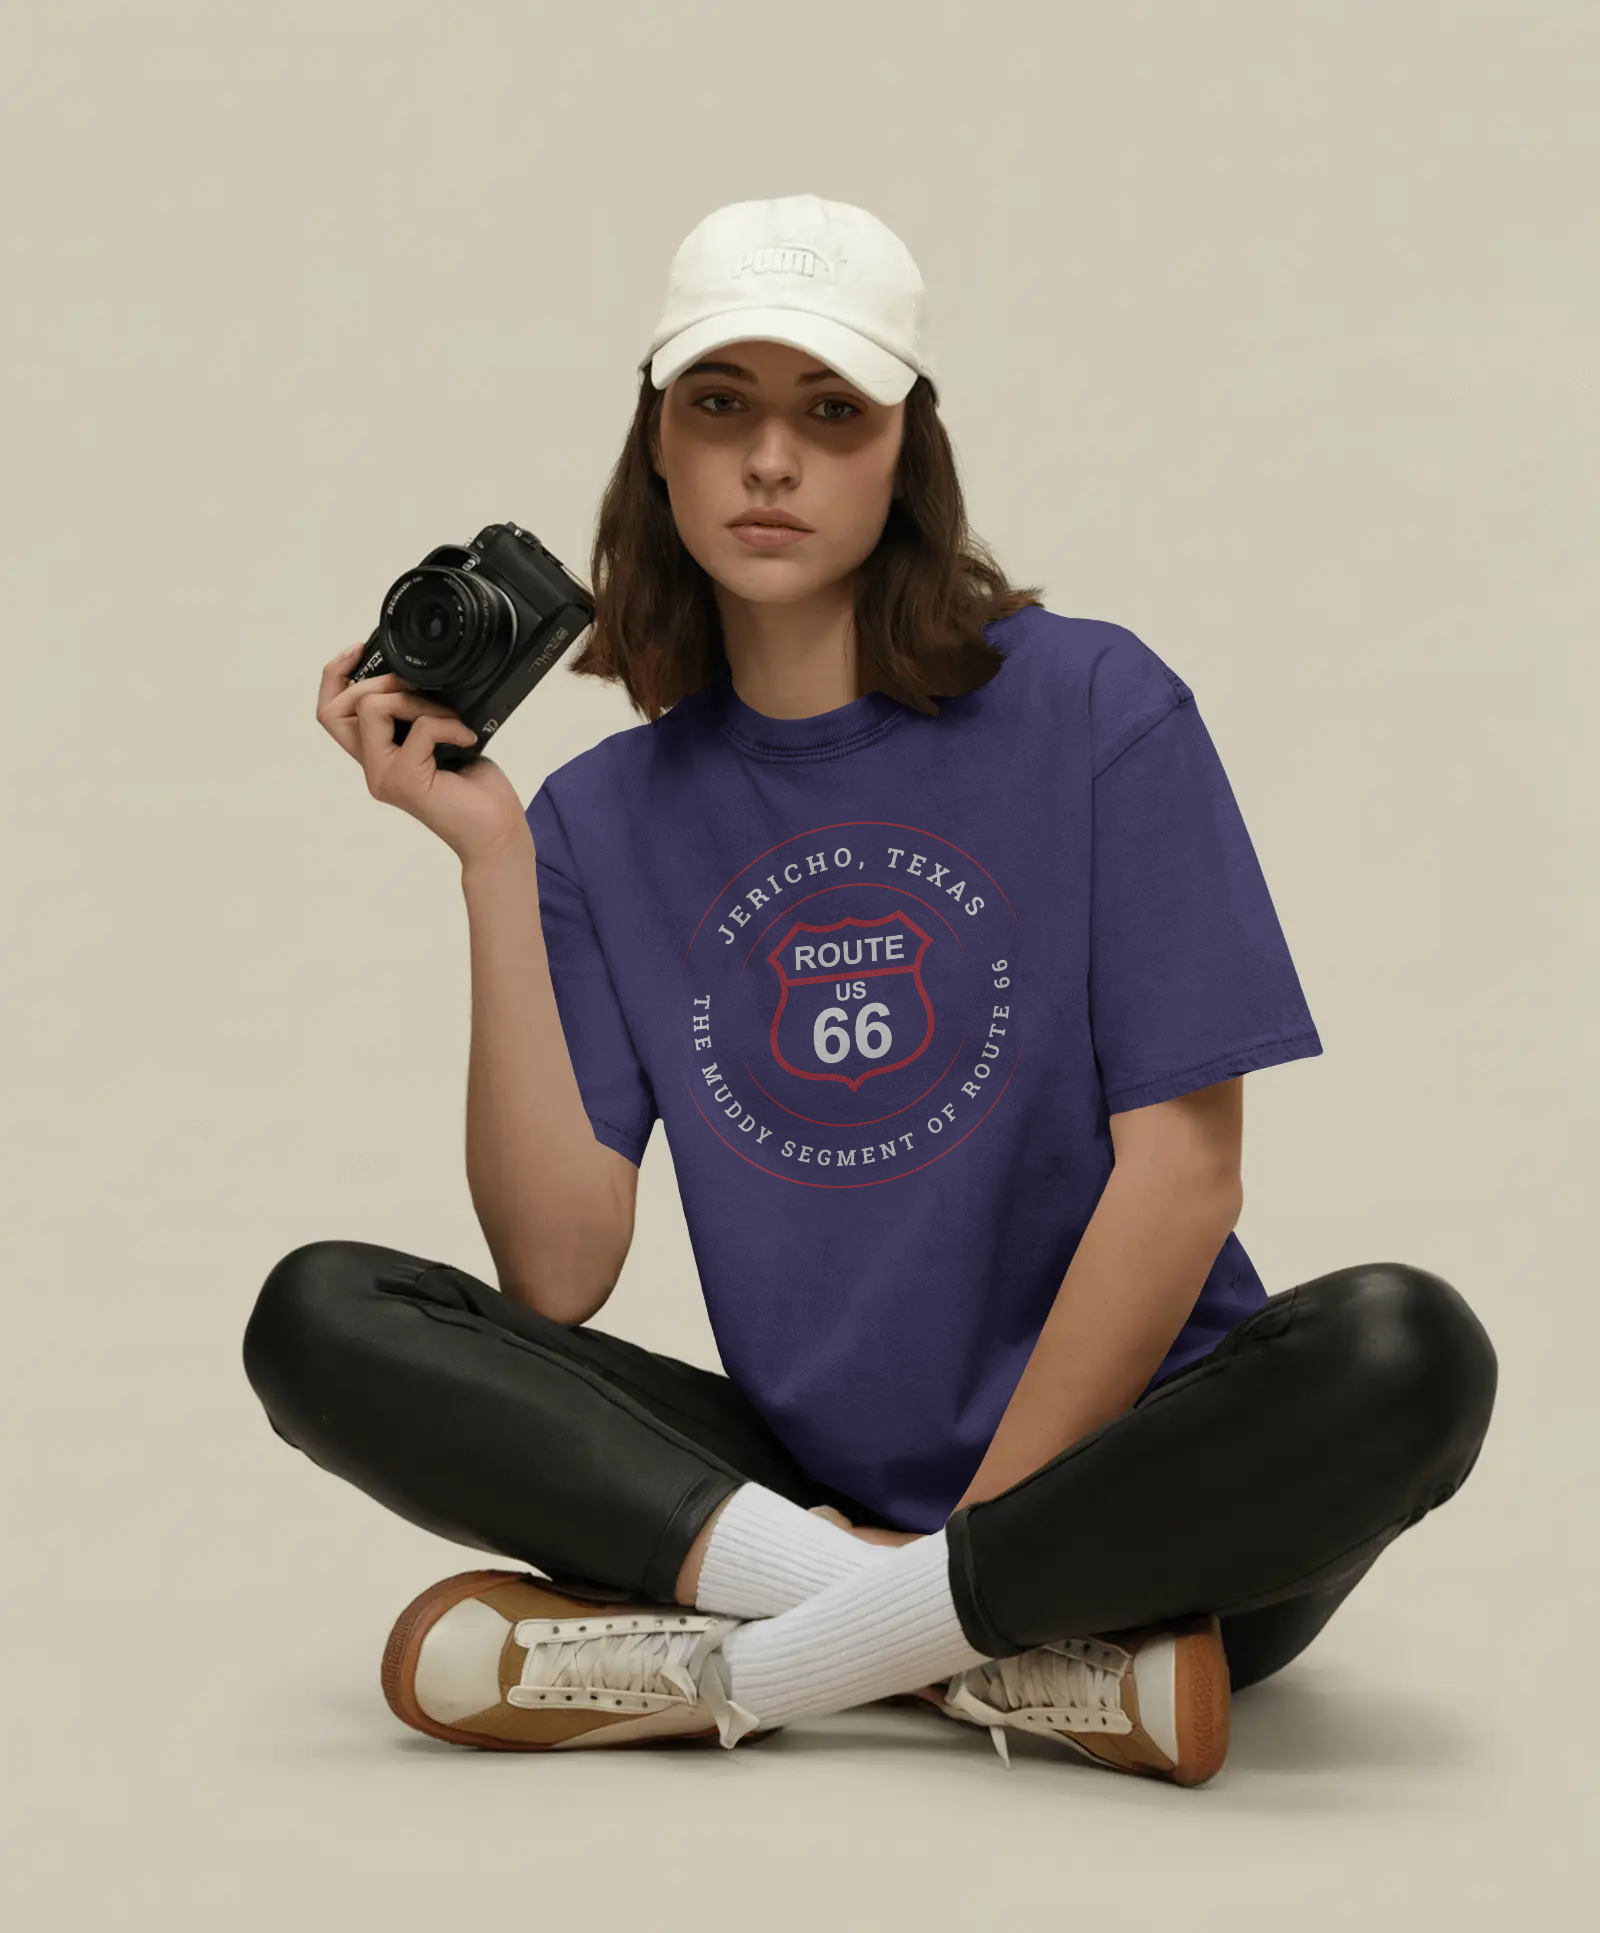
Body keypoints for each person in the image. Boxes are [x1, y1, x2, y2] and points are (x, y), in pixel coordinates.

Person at [242, 194, 1497, 1786]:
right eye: (722, 408)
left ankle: (768, 1662)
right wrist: (490, 856)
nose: (772, 460)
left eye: (831, 412)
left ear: (906, 451)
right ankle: (996, 1672)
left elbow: (1186, 1177)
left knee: (1408, 1348)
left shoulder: (1098, 704)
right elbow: (557, 1273)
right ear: (662, 453)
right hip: (817, 1492)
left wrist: (973, 1545)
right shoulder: (600, 820)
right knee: (326, 1313)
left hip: (1152, 1509)